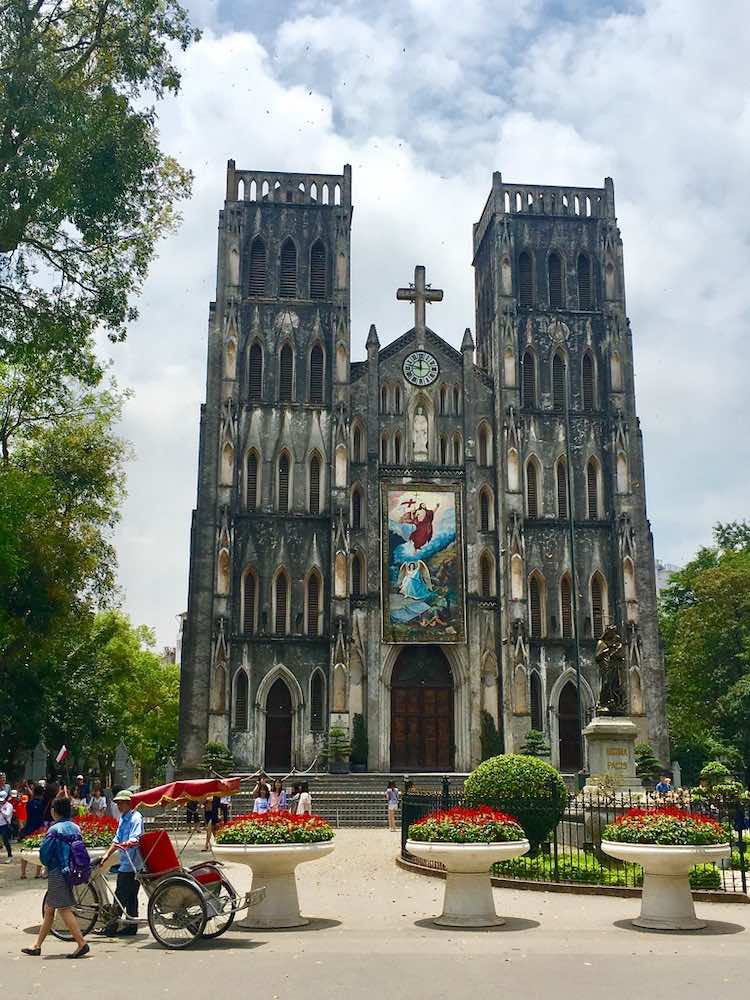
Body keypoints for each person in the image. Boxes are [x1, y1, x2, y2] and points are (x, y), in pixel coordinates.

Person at [20, 796, 90, 959]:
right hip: (71, 871)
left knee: (63, 909)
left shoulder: (55, 830)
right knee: (49, 909)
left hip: (58, 871)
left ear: (54, 811)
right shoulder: (75, 827)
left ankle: (81, 943)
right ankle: (37, 945)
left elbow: (45, 855)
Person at [98, 790, 144, 937]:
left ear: (129, 803)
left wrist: (127, 843)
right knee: (130, 897)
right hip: (126, 861)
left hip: (133, 863)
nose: (118, 806)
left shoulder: (136, 818)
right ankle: (131, 927)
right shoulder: (124, 818)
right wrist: (107, 854)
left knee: (120, 896)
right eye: (117, 803)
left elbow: (135, 838)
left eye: (121, 803)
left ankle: (111, 928)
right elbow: (117, 840)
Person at [19, 783, 46, 879]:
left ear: (34, 792)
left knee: (25, 849)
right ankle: (37, 873)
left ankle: (23, 873)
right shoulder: (43, 803)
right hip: (39, 829)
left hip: (29, 828)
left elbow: (26, 816)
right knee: (39, 850)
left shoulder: (29, 803)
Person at [0, 790, 14, 861]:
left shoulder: (9, 805)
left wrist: (1, 810)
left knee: (5, 841)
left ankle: (10, 856)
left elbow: (7, 815)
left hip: (5, 825)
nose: (1, 801)